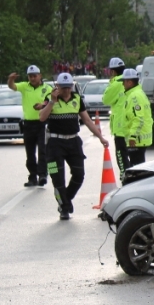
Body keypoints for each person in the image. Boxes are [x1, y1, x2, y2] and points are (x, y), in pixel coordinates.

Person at [38, 73, 109, 220]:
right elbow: (42, 117)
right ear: (57, 86)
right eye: (62, 87)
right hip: (54, 144)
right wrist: (51, 101)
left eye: (68, 87)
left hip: (73, 142)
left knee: (79, 174)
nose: (65, 91)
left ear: (72, 86)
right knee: (56, 177)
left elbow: (88, 121)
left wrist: (101, 137)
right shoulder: (50, 99)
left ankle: (66, 199)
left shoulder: (77, 99)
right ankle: (64, 207)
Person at [8, 66, 53, 187]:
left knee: (42, 151)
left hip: (42, 123)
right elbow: (12, 87)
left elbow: (50, 100)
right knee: (30, 152)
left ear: (40, 75)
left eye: (35, 75)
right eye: (30, 76)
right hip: (28, 124)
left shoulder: (47, 88)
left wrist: (43, 105)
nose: (32, 78)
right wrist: (10, 80)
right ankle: (32, 176)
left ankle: (42, 174)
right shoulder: (24, 86)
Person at [121, 69, 153, 167]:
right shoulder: (139, 93)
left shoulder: (134, 96)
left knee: (137, 170)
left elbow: (138, 118)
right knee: (139, 167)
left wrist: (132, 137)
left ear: (130, 82)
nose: (123, 84)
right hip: (139, 140)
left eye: (124, 82)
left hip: (137, 141)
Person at [102, 57, 129, 173]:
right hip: (131, 126)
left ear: (113, 71)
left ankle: (126, 179)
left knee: (122, 158)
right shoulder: (131, 81)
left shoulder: (116, 83)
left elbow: (106, 100)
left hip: (120, 127)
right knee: (134, 158)